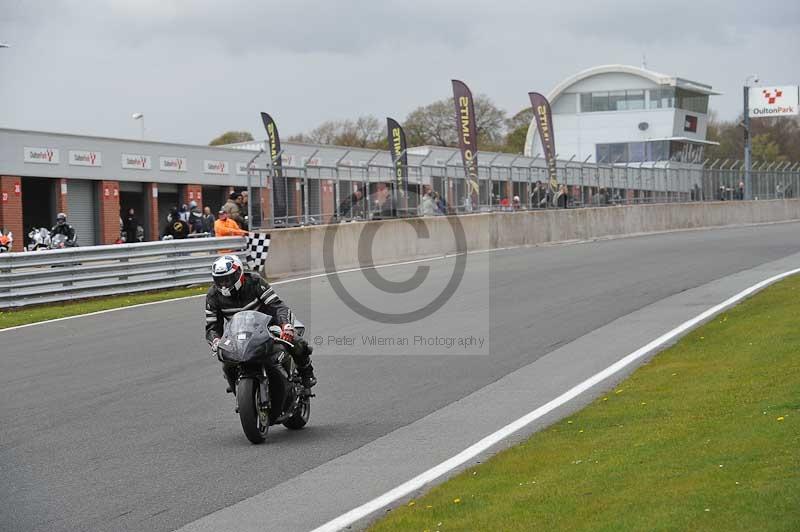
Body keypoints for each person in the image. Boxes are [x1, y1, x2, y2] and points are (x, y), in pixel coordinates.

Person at [205, 254, 316, 389]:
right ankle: (237, 386)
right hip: (239, 331)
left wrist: (285, 325)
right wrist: (216, 340)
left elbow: (276, 305)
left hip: (269, 324)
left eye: (227, 279)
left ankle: (306, 371)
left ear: (239, 274)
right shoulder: (212, 295)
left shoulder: (255, 281)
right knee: (227, 363)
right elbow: (212, 326)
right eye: (219, 280)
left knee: (295, 341)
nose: (223, 284)